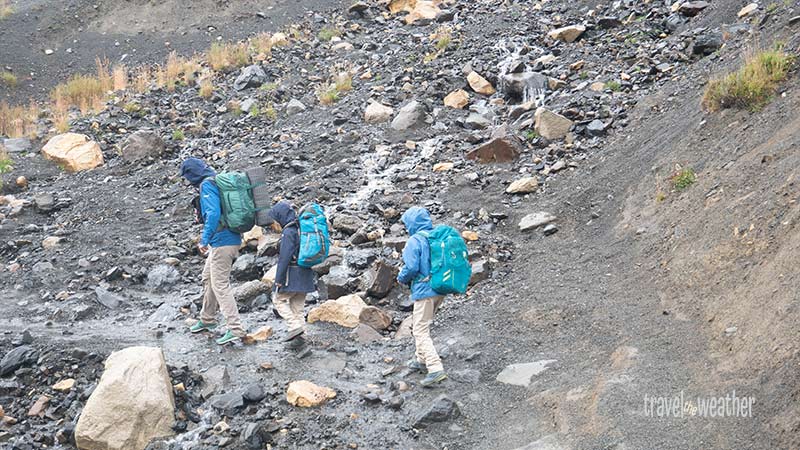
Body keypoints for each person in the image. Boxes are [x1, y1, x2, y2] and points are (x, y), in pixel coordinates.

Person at [180, 157, 245, 345]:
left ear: (192, 174)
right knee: (208, 277)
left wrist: (204, 240)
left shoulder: (206, 186)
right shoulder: (216, 180)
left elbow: (214, 214)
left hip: (222, 242)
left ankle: (235, 329)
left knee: (220, 285)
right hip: (228, 239)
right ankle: (207, 319)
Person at [397, 206, 447, 387]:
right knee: (423, 323)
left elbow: (411, 267)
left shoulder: (414, 240)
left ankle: (435, 368)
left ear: (411, 223)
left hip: (424, 290)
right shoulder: (436, 236)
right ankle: (420, 359)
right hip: (439, 288)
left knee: (419, 330)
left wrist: (400, 278)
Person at [269, 200, 317, 342]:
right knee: (298, 308)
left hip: (292, 273)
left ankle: (294, 326)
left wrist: (278, 280)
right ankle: (301, 337)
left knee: (278, 300)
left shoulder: (288, 232)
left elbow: (284, 258)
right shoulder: (301, 228)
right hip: (306, 273)